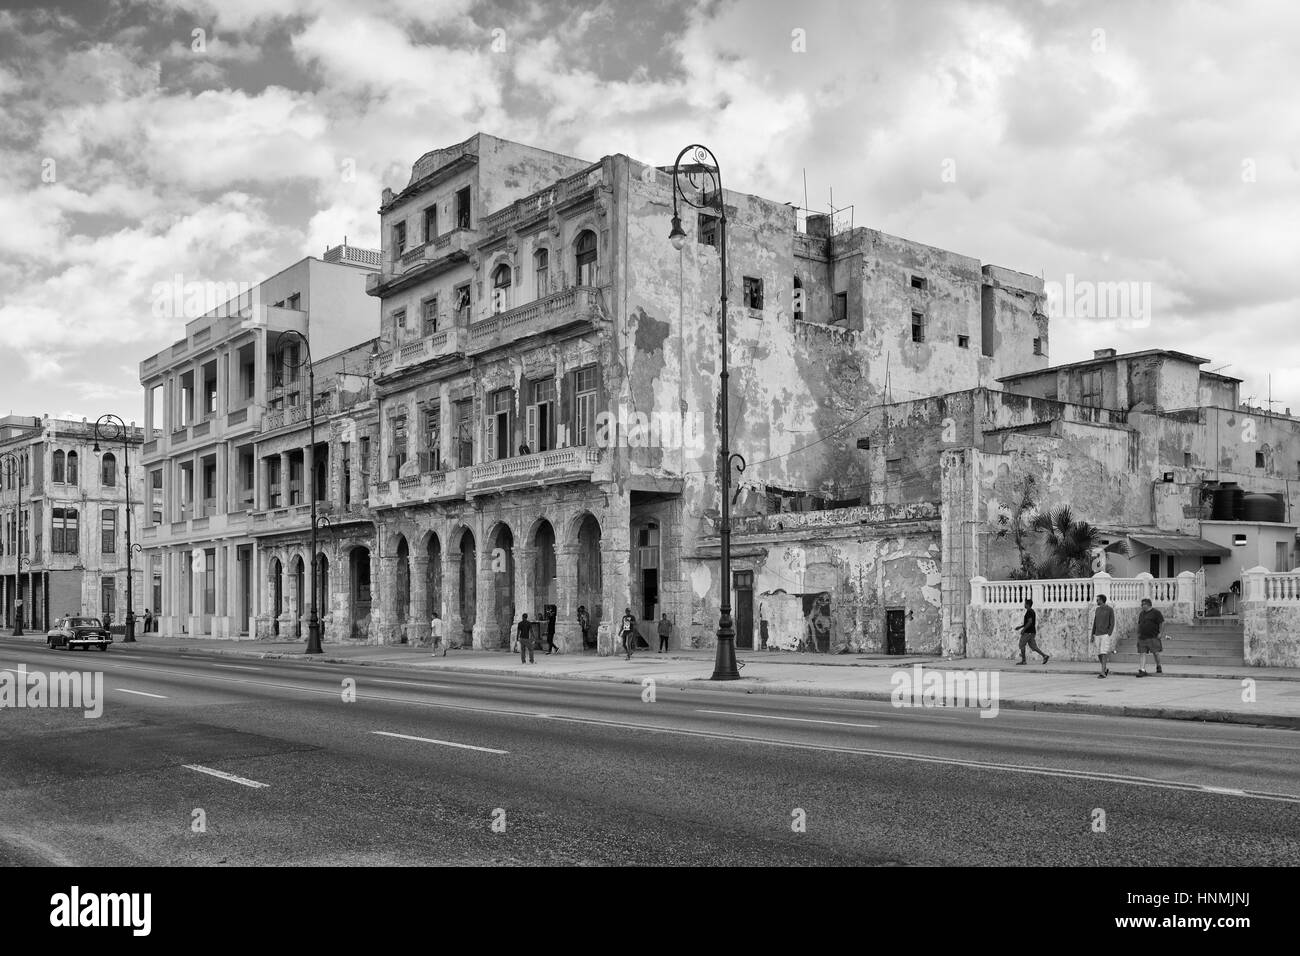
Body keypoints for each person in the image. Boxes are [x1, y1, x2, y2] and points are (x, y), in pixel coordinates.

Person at [1013, 597, 1049, 665]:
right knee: (1033, 646)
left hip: (1028, 632)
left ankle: (1023, 661)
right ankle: (1044, 656)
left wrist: (1023, 630)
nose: (1024, 604)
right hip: (1032, 632)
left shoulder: (1029, 611)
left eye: (1025, 603)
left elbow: (1029, 622)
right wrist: (1020, 627)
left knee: (1021, 645)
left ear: (1028, 604)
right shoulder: (1031, 611)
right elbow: (1028, 622)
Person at [1135, 598, 1166, 677]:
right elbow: (1139, 623)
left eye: (1143, 604)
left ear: (1148, 605)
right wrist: (1138, 632)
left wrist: (1160, 633)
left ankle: (1158, 666)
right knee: (1142, 653)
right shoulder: (1141, 613)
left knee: (1156, 653)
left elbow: (1162, 623)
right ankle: (1142, 669)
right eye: (1141, 604)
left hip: (1153, 636)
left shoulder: (1156, 613)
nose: (1141, 606)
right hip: (1142, 637)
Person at [1090, 594, 1115, 678]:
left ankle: (1103, 672)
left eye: (1098, 600)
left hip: (1105, 634)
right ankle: (1104, 668)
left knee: (1103, 652)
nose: (1097, 601)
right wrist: (1092, 634)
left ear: (1102, 600)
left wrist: (1109, 633)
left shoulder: (1109, 609)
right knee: (1099, 653)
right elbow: (1095, 622)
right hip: (1097, 634)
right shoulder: (1097, 609)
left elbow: (1112, 622)